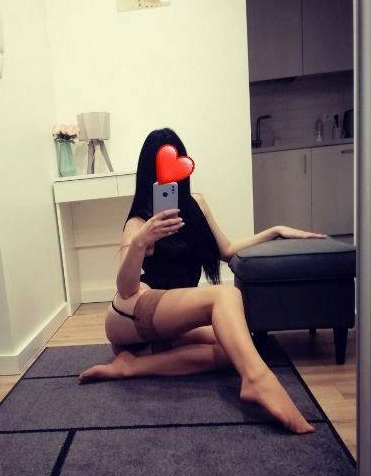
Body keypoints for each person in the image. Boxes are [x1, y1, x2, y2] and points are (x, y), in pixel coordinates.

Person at [78, 128, 327, 434]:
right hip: (130, 315)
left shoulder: (196, 205)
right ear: (148, 176)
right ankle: (257, 380)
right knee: (225, 296)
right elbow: (125, 289)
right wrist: (141, 241)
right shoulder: (139, 222)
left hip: (166, 322)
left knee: (233, 345)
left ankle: (133, 365)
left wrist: (275, 230)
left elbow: (227, 250)